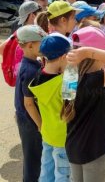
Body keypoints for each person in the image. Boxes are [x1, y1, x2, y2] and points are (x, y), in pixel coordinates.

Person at [63, 26, 105, 182]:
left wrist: (86, 52)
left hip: (74, 146)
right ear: (96, 57)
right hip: (94, 148)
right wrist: (88, 51)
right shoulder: (94, 80)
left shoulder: (70, 76)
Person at [28, 34, 72, 181]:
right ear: (63, 56)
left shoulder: (37, 76)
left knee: (46, 169)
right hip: (63, 137)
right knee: (63, 174)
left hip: (47, 133)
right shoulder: (65, 82)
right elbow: (72, 106)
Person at [15, 25, 48, 181]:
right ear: (29, 45)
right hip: (31, 121)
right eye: (42, 42)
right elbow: (29, 103)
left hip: (25, 118)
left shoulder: (30, 63)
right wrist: (40, 125)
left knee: (33, 157)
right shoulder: (30, 71)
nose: (45, 45)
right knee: (33, 160)